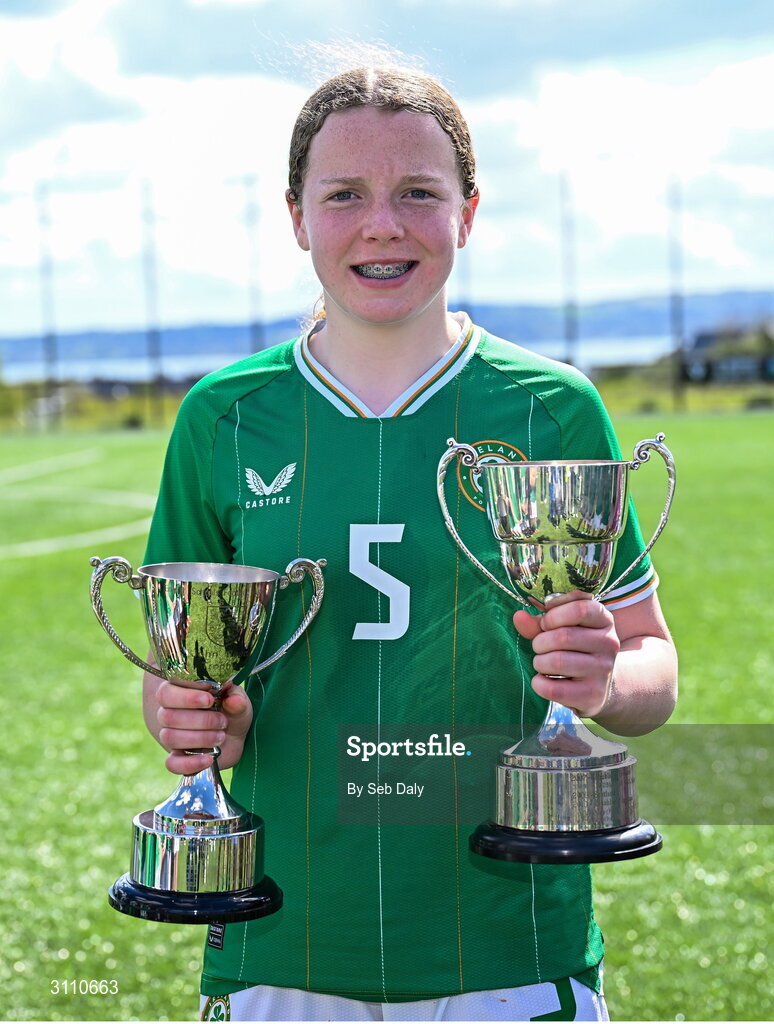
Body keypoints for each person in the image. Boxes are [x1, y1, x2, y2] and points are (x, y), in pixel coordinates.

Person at [142, 63, 678, 1022]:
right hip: (281, 934)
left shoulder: (553, 409)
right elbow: (175, 673)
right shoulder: (224, 418)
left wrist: (602, 683)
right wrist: (188, 717)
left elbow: (651, 666)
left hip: (508, 941)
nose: (381, 224)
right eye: (344, 194)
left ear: (468, 213)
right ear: (297, 216)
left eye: (418, 194)